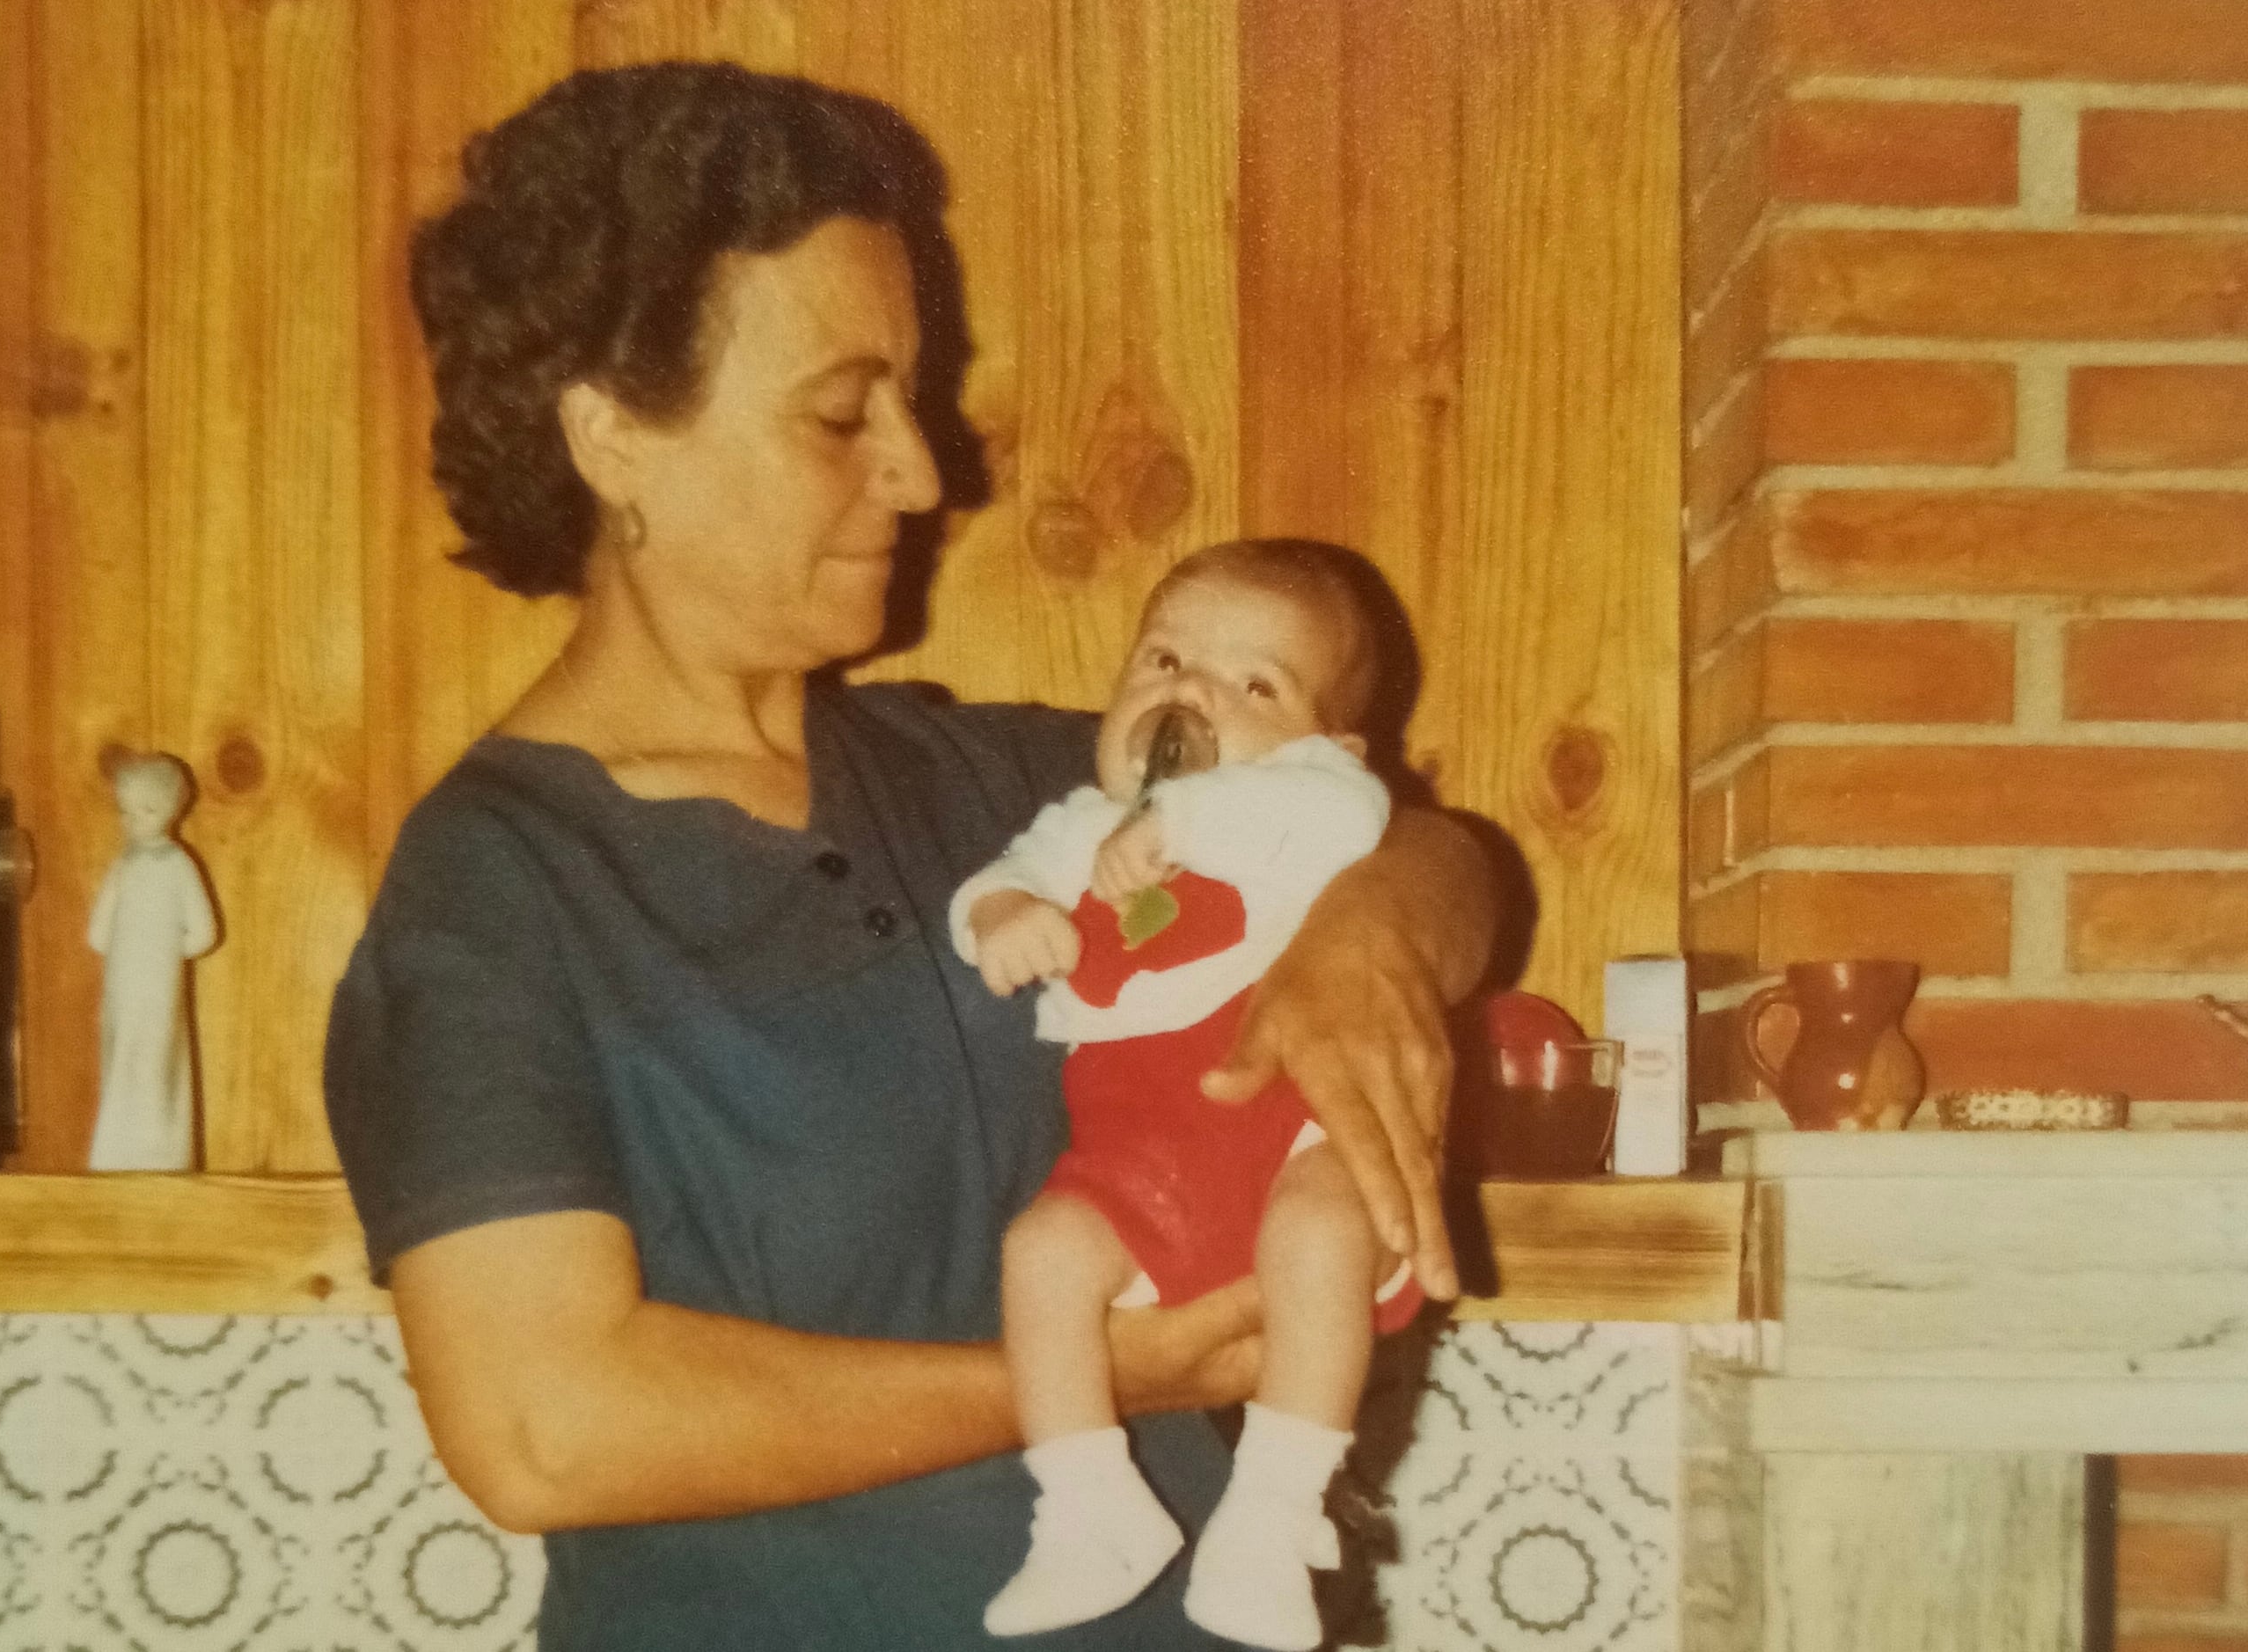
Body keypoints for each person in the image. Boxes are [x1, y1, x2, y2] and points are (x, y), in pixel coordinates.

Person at [322, 61, 1494, 1652]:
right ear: (612, 436)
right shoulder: (499, 886)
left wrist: (1376, 932)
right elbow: (546, 1426)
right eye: (838, 411)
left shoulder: (991, 781)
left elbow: (1427, 847)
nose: (921, 470)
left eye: (912, 398)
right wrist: (1098, 1379)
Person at [956, 542, 1418, 1649]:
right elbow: (999, 877)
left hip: (1288, 1135)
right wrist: (1002, 918)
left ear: (1327, 742)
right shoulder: (1076, 828)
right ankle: (1086, 1505)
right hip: (1137, 1159)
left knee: (1319, 1230)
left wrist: (1188, 824)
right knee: (1044, 1255)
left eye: (1255, 685)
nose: (1191, 693)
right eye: (1163, 660)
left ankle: (1272, 1513)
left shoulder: (1310, 802)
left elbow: (1350, 823)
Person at [89, 752, 216, 1172]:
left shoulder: (179, 865)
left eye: (147, 810)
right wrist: (137, 950)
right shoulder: (122, 866)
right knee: (121, 1056)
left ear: (170, 811)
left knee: (158, 1062)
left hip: (159, 987)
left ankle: (163, 1157)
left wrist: (161, 951)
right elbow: (96, 934)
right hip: (123, 985)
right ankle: (115, 1156)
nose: (133, 821)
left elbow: (204, 933)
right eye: (125, 810)